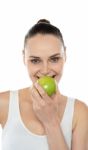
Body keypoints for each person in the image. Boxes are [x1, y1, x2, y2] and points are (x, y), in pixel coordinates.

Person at [0, 19, 88, 150]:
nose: (45, 70)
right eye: (35, 60)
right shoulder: (4, 103)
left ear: (65, 55)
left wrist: (51, 122)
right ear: (24, 57)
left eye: (54, 59)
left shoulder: (79, 112)